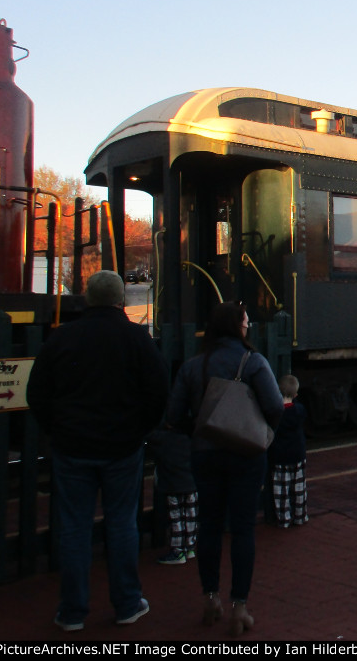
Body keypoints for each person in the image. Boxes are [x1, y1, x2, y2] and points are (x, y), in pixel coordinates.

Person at [26, 270, 169, 632]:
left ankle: (72, 612)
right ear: (121, 300)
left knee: (73, 528)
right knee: (122, 524)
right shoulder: (137, 339)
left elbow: (37, 393)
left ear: (87, 299)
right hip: (122, 448)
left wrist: (57, 431)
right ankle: (126, 603)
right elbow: (158, 393)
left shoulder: (63, 338)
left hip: (72, 448)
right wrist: (139, 430)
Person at [166, 302, 283, 636]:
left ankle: (210, 599)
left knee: (210, 525)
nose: (248, 327)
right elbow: (275, 406)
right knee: (244, 529)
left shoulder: (192, 367)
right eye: (246, 322)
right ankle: (240, 608)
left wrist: (203, 429)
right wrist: (263, 434)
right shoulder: (254, 362)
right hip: (246, 456)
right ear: (237, 327)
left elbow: (174, 417)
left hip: (205, 455)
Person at [146, 419, 198, 564]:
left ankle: (178, 550)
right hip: (191, 483)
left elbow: (148, 436)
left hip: (172, 484)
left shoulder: (163, 438)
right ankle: (190, 547)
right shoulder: (191, 438)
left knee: (176, 518)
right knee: (190, 515)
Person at [267, 375, 308, 528]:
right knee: (298, 488)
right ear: (296, 395)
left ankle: (284, 519)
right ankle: (300, 516)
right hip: (297, 454)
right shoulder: (299, 410)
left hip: (279, 456)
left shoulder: (276, 413)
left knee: (281, 490)